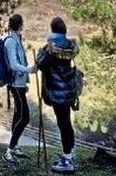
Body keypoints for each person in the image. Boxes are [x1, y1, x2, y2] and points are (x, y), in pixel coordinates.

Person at [36, 16, 79, 173]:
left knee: (63, 124)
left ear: (52, 29)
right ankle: (69, 154)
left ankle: (67, 160)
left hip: (56, 92)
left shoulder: (51, 48)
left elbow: (40, 63)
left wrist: (41, 51)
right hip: (68, 90)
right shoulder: (68, 46)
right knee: (66, 122)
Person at [3, 13, 37, 164]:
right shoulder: (11, 41)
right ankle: (9, 150)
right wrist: (30, 70)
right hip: (16, 85)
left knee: (18, 116)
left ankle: (14, 147)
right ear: (20, 25)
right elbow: (13, 64)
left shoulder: (16, 39)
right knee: (25, 117)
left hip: (20, 84)